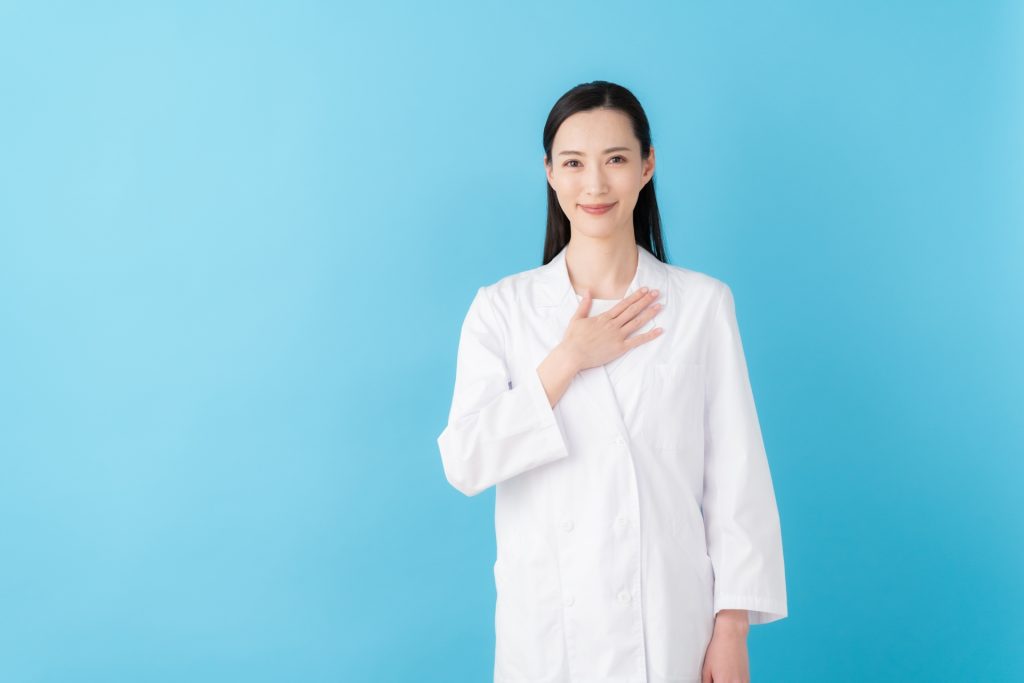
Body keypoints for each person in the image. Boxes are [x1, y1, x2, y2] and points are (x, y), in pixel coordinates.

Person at [436, 80, 788, 683]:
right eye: (574, 163)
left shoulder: (701, 305)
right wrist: (567, 359)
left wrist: (731, 628)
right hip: (548, 634)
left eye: (616, 159)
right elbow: (465, 461)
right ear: (550, 173)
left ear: (647, 166)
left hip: (667, 624)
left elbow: (736, 476)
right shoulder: (502, 309)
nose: (595, 185)